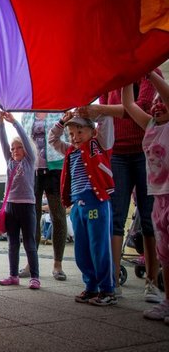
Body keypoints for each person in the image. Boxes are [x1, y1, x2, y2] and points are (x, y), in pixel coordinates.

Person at [77, 72, 161, 302]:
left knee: (148, 218)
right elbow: (105, 115)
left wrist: (100, 110)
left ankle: (152, 281)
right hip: (118, 154)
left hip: (146, 151)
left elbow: (138, 108)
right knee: (115, 217)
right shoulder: (109, 82)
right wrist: (90, 112)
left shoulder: (148, 75)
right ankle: (112, 281)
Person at [49, 111, 116, 306]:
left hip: (96, 201)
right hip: (78, 205)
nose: (75, 137)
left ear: (92, 131)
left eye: (80, 131)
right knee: (82, 249)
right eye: (71, 134)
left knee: (99, 246)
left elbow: (106, 118)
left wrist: (89, 111)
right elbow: (53, 138)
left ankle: (107, 290)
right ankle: (91, 286)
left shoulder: (99, 145)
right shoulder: (70, 150)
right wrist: (62, 121)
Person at [121, 72, 169, 323]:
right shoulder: (150, 125)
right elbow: (128, 105)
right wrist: (126, 73)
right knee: (165, 253)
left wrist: (150, 73)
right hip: (158, 199)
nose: (158, 104)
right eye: (155, 102)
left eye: (163, 101)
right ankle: (167, 301)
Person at [21, 112, 68, 280]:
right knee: (32, 216)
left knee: (58, 215)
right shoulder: (27, 115)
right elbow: (23, 139)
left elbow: (68, 140)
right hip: (33, 170)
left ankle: (58, 264)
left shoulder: (59, 112)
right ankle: (30, 263)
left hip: (56, 169)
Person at [0, 111, 40, 289]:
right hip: (11, 206)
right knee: (12, 242)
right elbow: (2, 142)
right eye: (13, 149)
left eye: (18, 147)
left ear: (25, 148)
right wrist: (0, 124)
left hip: (27, 206)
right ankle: (13, 275)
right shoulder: (9, 161)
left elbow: (23, 136)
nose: (14, 151)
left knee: (29, 242)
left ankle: (35, 277)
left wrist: (14, 122)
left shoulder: (29, 160)